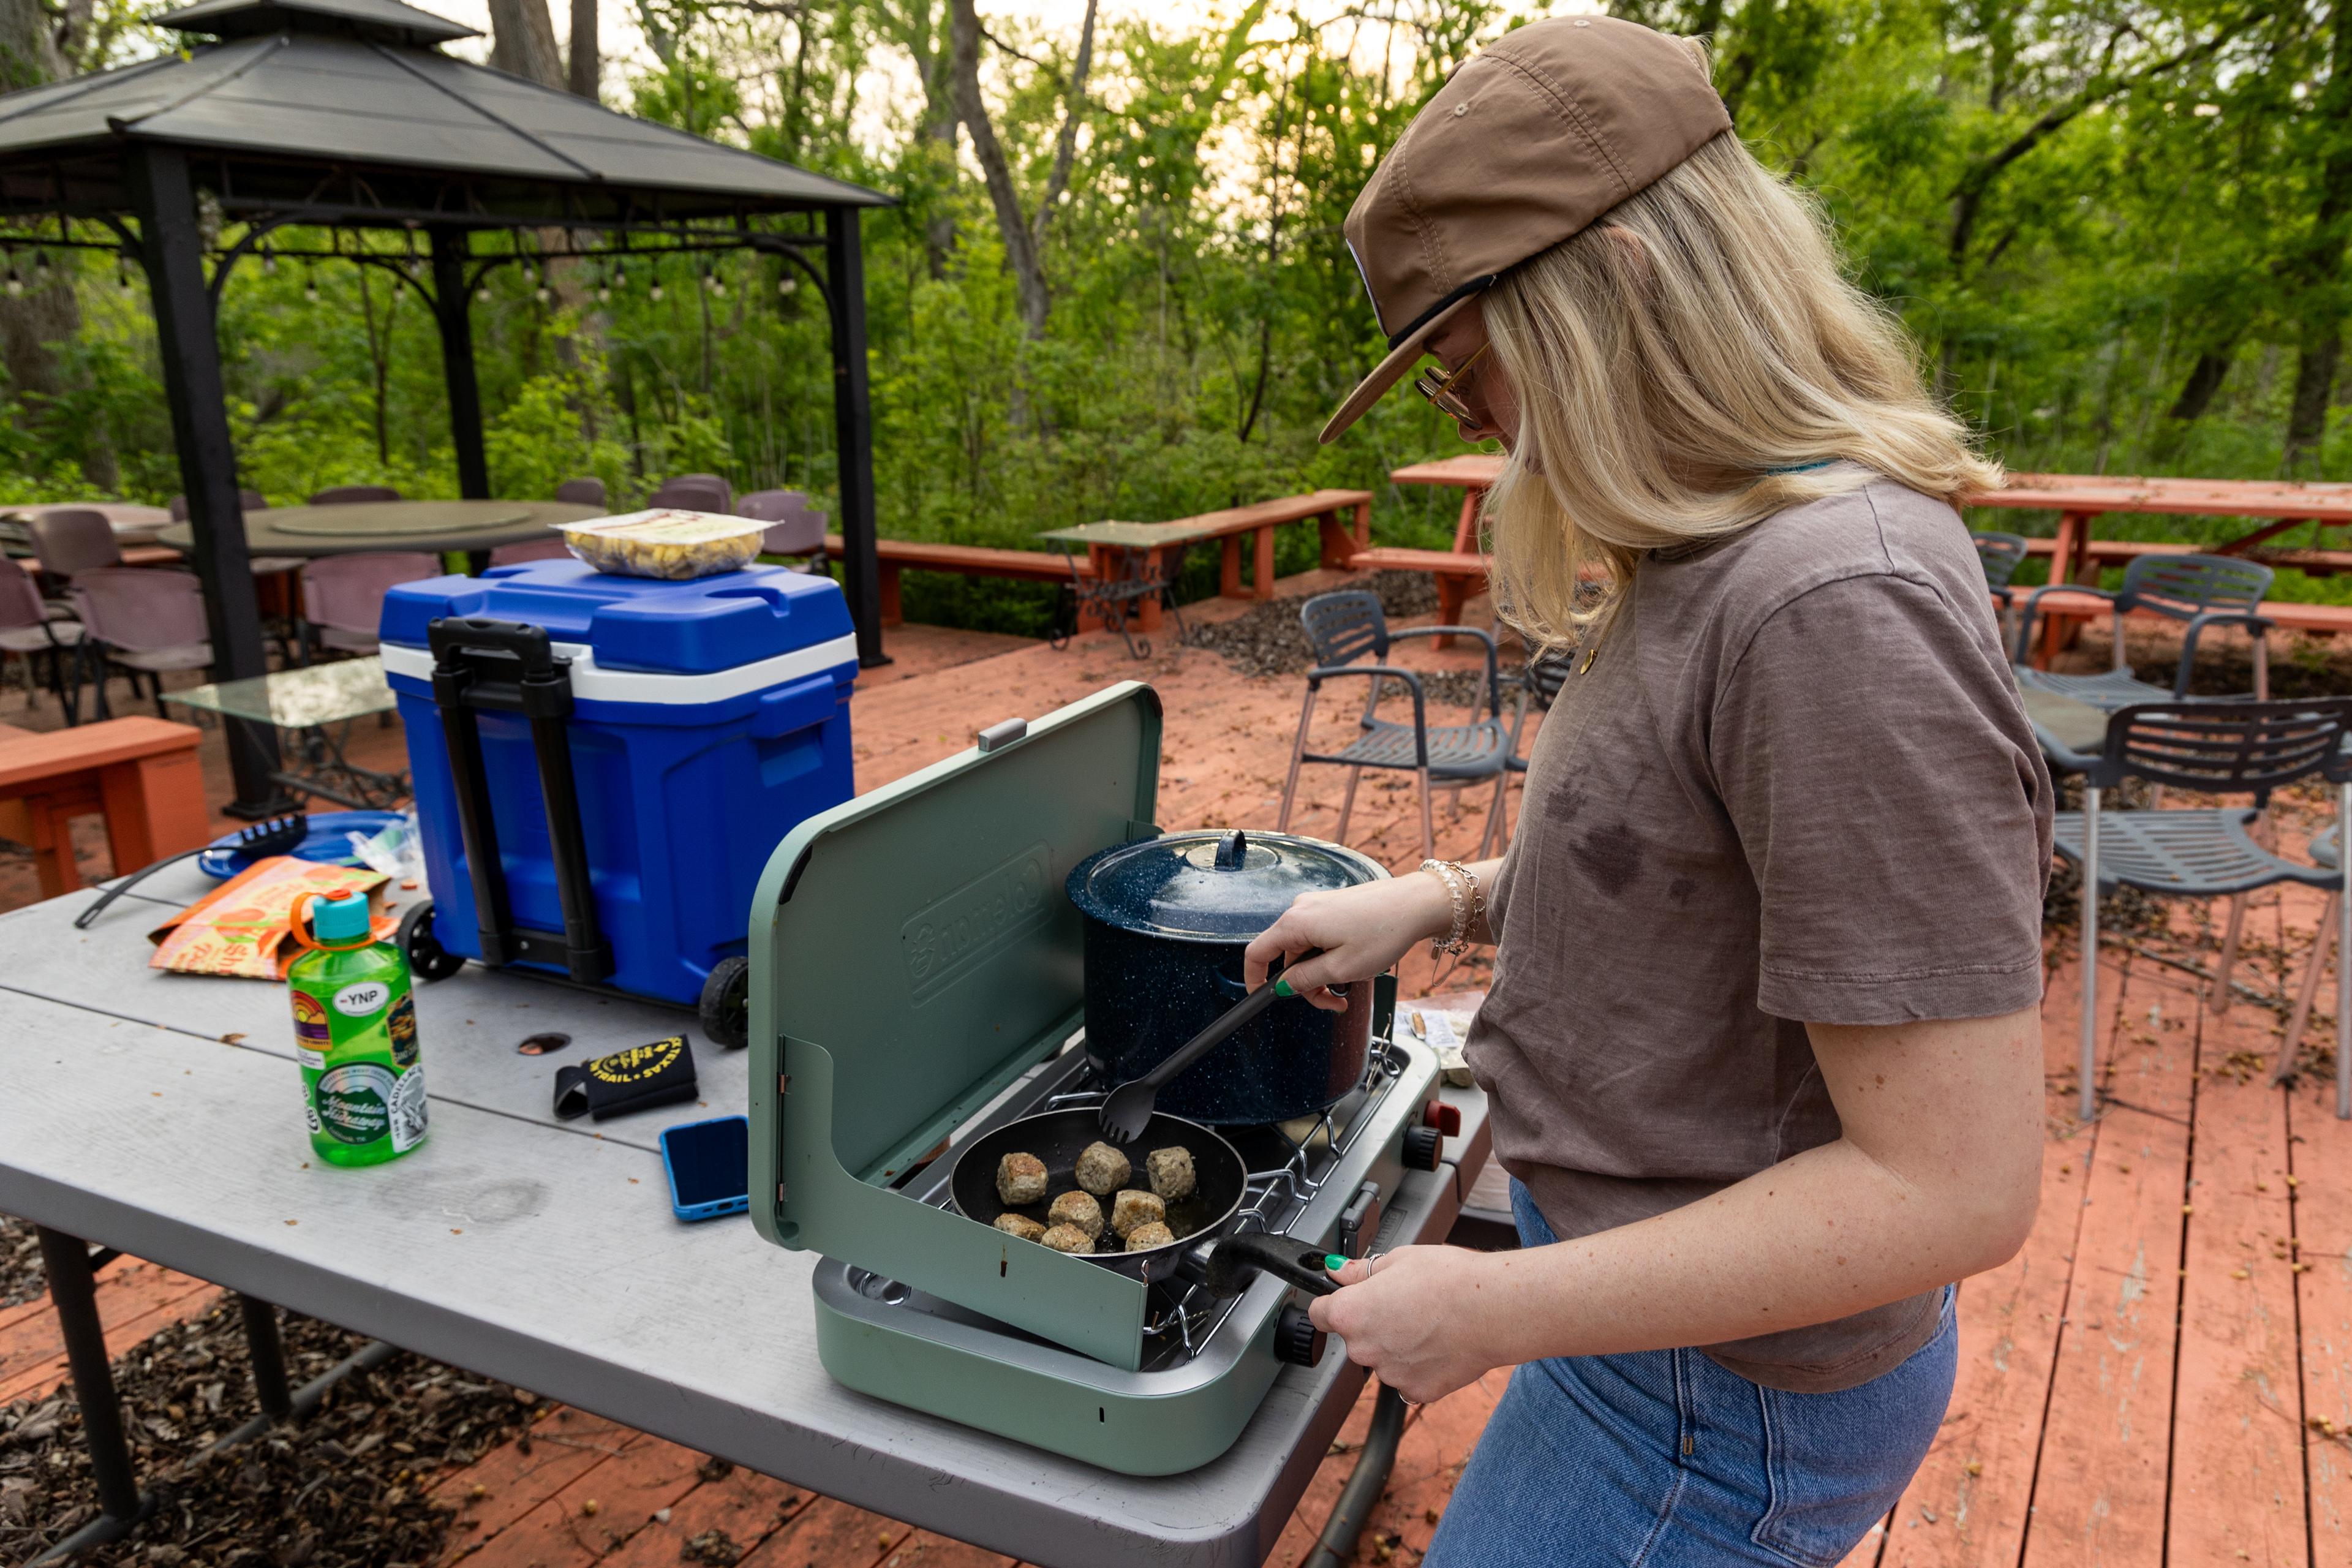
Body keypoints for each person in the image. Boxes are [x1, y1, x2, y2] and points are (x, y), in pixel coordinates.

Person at [1242, 16, 2051, 1566]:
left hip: (1706, 1402)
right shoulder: (1715, 543)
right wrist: (1451, 895)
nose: (1462, 416)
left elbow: (1950, 1186)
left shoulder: (1830, 601)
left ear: (1605, 293)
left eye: (1464, 364)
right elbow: (1711, 872)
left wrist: (1494, 1306)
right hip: (1657, 1333)